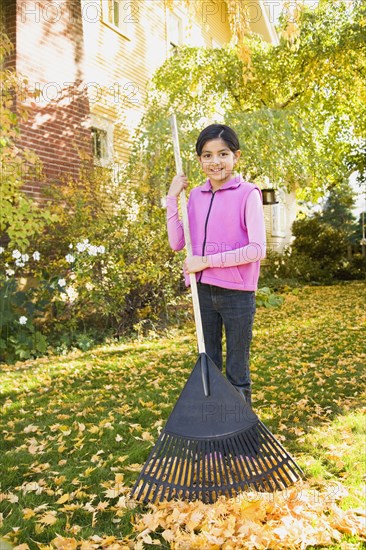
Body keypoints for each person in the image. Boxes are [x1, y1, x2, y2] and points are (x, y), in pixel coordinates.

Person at [166, 124, 266, 406]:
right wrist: (172, 198)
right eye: (207, 156)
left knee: (237, 370)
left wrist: (206, 261)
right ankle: (216, 437)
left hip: (237, 294)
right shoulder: (195, 196)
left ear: (236, 156)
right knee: (208, 369)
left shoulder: (248, 194)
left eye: (223, 154)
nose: (215, 162)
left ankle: (241, 436)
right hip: (202, 293)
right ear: (199, 160)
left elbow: (257, 249)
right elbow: (177, 242)